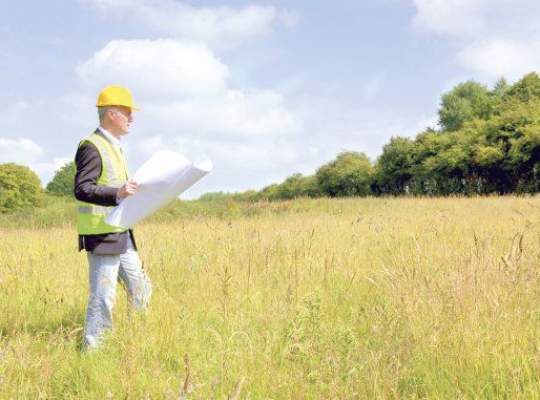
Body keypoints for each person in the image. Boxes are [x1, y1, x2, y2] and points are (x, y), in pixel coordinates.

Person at [74, 85, 152, 350]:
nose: (132, 118)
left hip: (122, 232)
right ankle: (93, 354)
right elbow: (82, 188)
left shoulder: (115, 147)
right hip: (102, 234)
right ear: (111, 114)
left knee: (141, 288)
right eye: (127, 112)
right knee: (103, 297)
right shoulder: (92, 146)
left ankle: (135, 343)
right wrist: (117, 192)